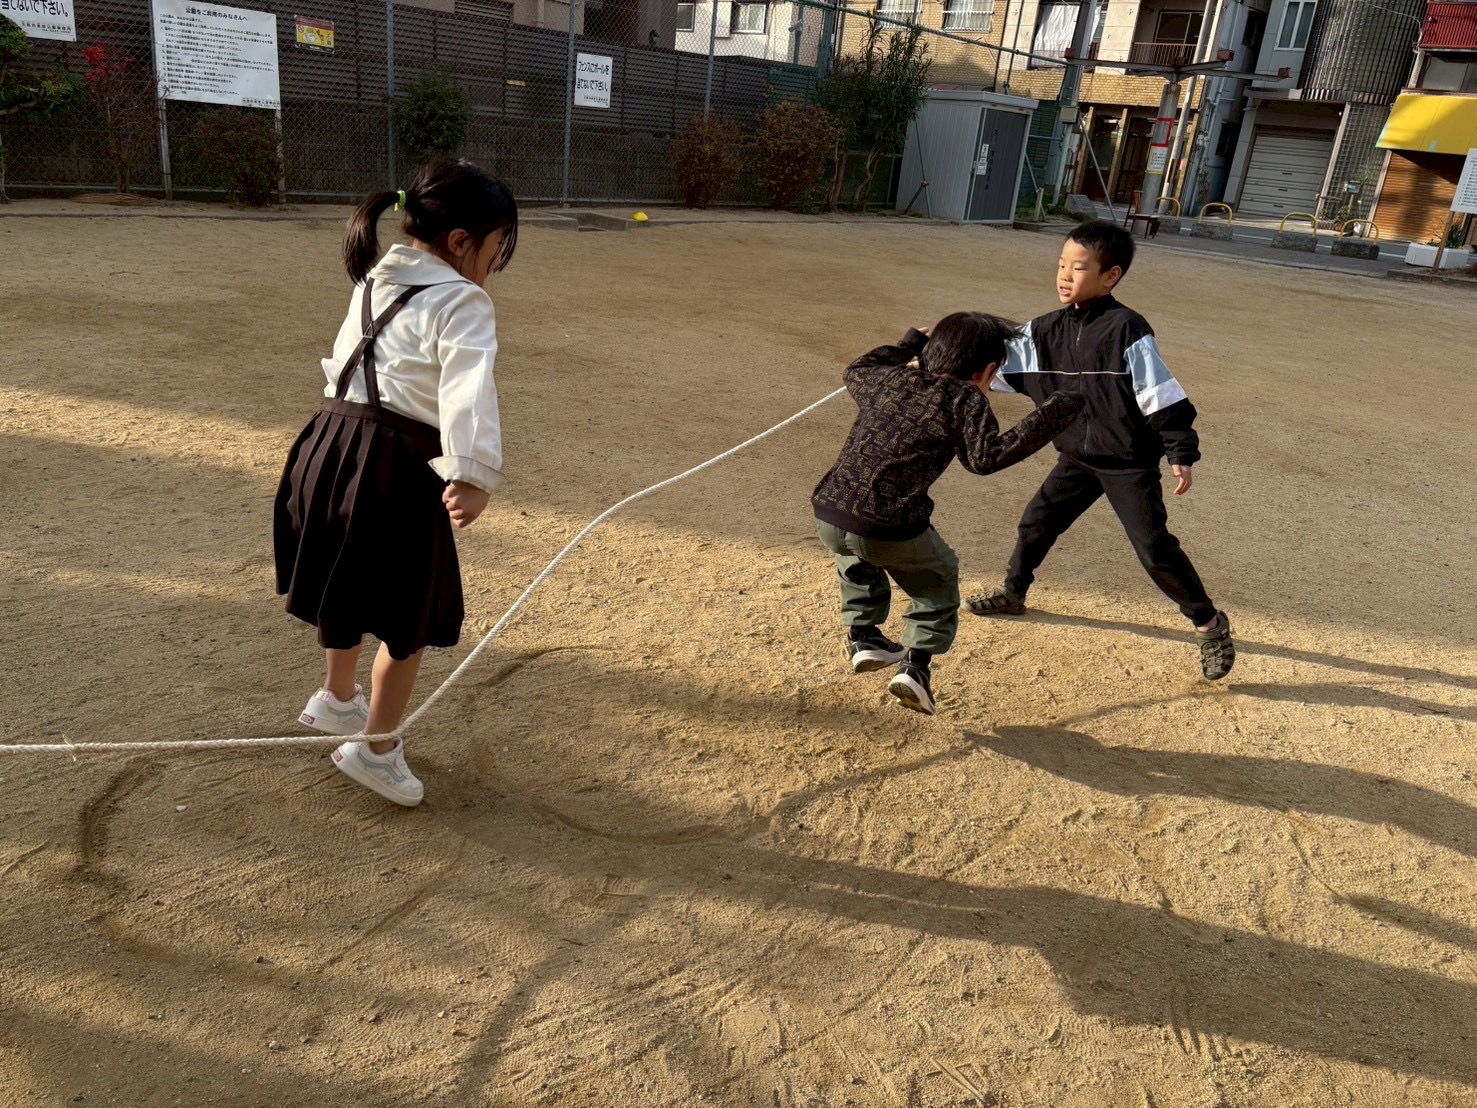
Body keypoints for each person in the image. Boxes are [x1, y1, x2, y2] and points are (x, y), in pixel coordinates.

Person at [273, 157, 518, 806]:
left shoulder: (375, 281)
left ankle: (338, 697)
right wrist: (470, 473)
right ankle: (376, 749)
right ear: (461, 242)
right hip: (391, 462)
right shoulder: (464, 300)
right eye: (497, 246)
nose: (496, 262)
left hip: (328, 444)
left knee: (346, 581)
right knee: (411, 612)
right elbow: (468, 389)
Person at [967, 220, 1236, 681]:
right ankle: (1013, 594)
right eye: (1061, 265)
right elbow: (998, 365)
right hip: (1076, 456)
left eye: (1078, 267)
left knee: (1153, 547)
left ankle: (1210, 626)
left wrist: (1180, 452)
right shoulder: (1042, 331)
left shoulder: (1125, 329)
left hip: (1127, 462)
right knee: (1036, 523)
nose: (1064, 276)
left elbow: (1161, 394)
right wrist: (945, 352)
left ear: (1110, 276)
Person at [812, 313, 1082, 715]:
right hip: (890, 522)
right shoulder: (964, 398)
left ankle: (863, 634)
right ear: (988, 370)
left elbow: (858, 369)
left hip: (831, 509)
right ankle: (915, 668)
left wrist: (906, 344)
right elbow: (984, 459)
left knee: (855, 560)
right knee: (938, 577)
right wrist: (1055, 412)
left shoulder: (888, 379)